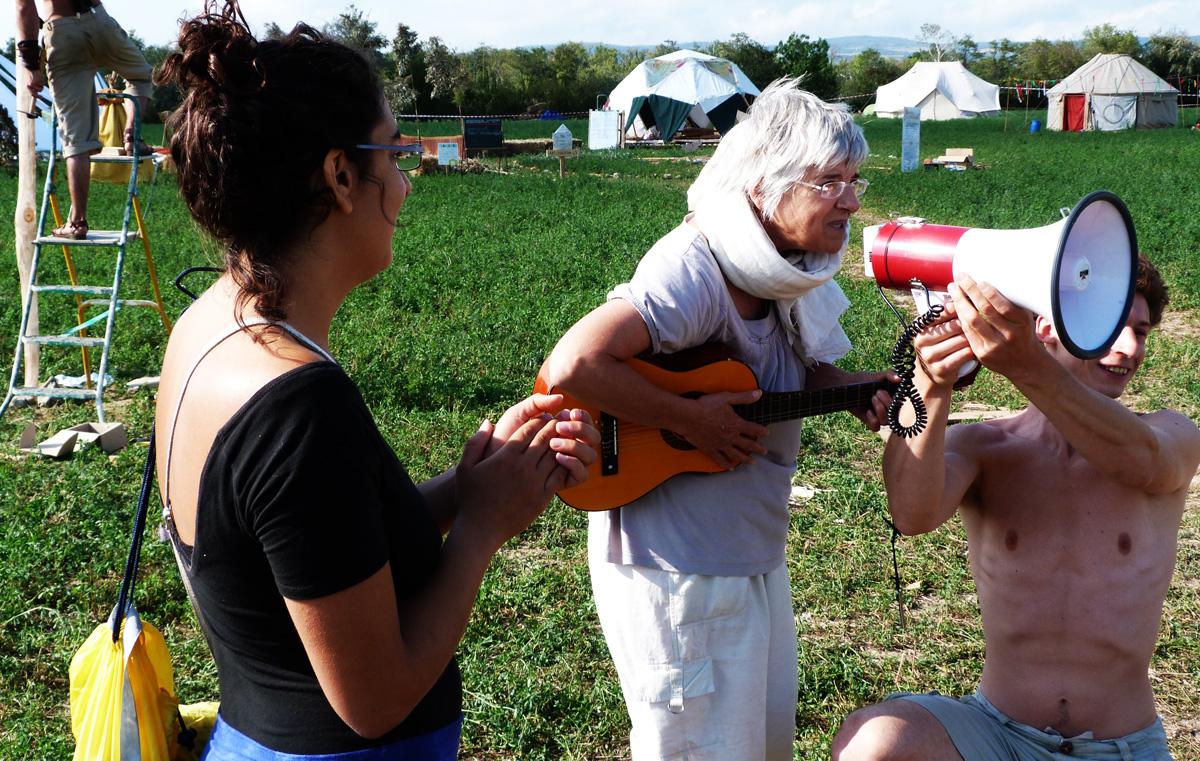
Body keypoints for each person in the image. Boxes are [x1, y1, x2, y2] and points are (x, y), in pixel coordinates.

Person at [150, 3, 598, 759]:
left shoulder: (211, 322)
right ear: (340, 174)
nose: (406, 183)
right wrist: (485, 528)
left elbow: (311, 551)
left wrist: (464, 488)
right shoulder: (297, 409)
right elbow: (375, 699)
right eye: (391, 153)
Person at [542, 79, 891, 761]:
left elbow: (796, 368)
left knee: (760, 744)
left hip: (747, 551)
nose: (850, 200)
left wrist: (855, 389)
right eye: (830, 182)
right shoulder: (695, 270)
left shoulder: (786, 268)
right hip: (677, 569)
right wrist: (688, 420)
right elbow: (574, 363)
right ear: (765, 184)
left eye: (855, 180)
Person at [832, 256, 1200, 761]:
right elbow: (911, 515)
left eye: (1140, 330)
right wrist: (930, 384)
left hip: (1125, 748)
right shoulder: (986, 446)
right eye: (1112, 327)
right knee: (875, 742)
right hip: (999, 733)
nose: (1131, 348)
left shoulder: (1169, 433)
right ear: (1046, 326)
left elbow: (1139, 462)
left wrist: (1028, 363)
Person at [15, 0, 154, 240]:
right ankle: (131, 133)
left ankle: (77, 221)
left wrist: (31, 65)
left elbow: (24, 7)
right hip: (98, 20)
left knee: (76, 139)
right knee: (141, 77)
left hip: (62, 32)